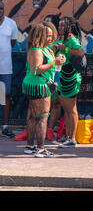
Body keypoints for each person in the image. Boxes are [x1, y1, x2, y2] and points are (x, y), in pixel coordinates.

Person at [22, 23, 65, 157]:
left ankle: (30, 146)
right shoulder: (36, 50)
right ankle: (40, 149)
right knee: (42, 118)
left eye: (52, 35)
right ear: (40, 35)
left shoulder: (45, 49)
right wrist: (54, 63)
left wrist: (59, 61)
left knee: (34, 117)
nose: (51, 38)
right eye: (48, 35)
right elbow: (36, 69)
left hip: (37, 84)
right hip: (39, 85)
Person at [55, 16, 85, 148]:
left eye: (63, 26)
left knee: (71, 109)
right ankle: (67, 137)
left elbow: (80, 52)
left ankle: (72, 139)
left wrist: (65, 48)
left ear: (69, 28)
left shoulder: (72, 40)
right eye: (59, 25)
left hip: (71, 78)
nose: (60, 28)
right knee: (66, 109)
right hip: (63, 76)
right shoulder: (64, 39)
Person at [0, 0, 18, 138]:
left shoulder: (11, 24)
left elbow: (12, 42)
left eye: (1, 8)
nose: (0, 10)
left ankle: (5, 127)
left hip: (5, 67)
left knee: (5, 96)